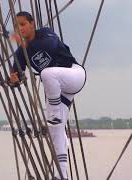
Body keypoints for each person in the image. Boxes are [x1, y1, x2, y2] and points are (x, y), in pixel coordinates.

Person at [10, 11, 86, 180]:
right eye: (16, 26)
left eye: (22, 24)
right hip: (60, 91)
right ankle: (61, 175)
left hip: (74, 75)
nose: (19, 28)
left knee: (47, 74)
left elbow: (51, 45)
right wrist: (14, 78)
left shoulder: (45, 33)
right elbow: (15, 72)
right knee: (56, 131)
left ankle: (53, 115)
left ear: (32, 24)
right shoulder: (22, 52)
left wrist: (25, 45)